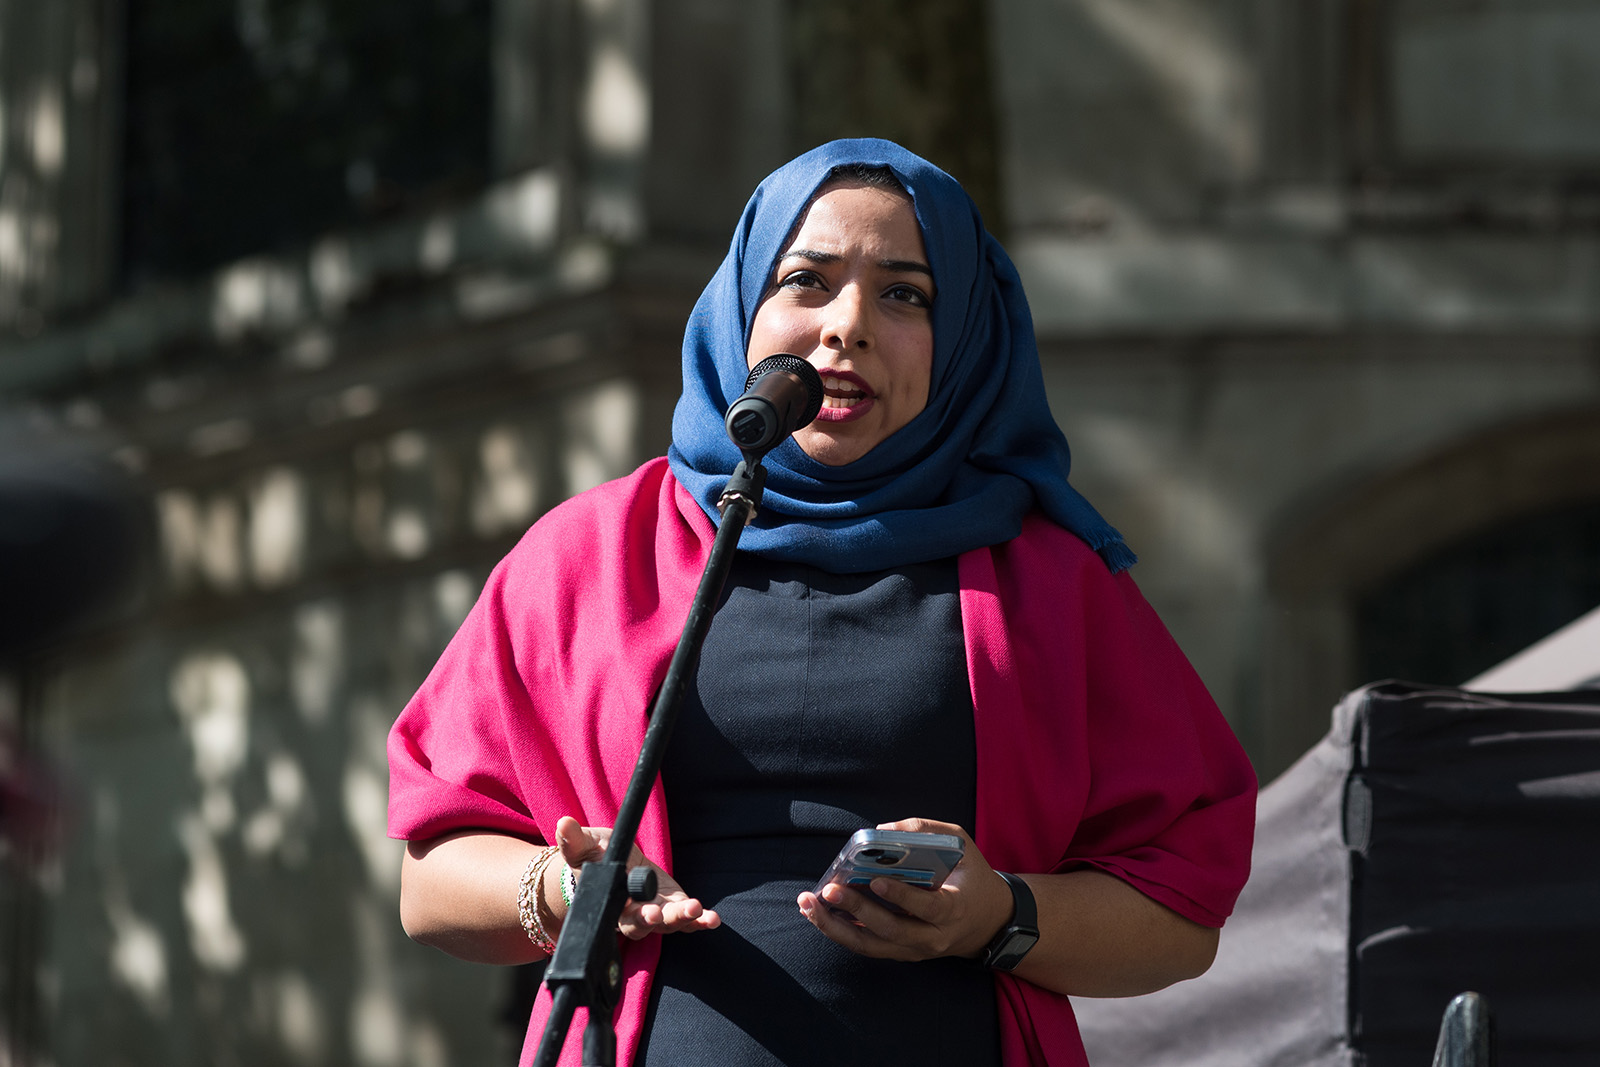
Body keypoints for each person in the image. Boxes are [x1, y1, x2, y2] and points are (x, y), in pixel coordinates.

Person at [388, 139, 1256, 1067]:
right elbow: (429, 883)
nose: (847, 325)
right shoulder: (588, 555)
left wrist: (997, 914)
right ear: (740, 312)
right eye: (806, 280)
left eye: (904, 294)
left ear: (962, 339)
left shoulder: (1050, 579)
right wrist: (564, 890)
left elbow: (1181, 910)